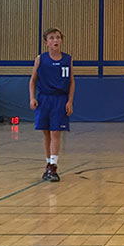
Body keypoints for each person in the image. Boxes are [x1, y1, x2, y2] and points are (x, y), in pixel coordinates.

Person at [28, 27, 75, 182]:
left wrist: (70, 101)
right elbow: (33, 80)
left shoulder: (68, 59)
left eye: (58, 37)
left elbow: (71, 82)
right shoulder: (40, 59)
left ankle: (53, 166)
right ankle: (48, 163)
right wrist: (32, 98)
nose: (55, 40)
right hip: (44, 99)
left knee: (56, 132)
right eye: (52, 38)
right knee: (46, 133)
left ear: (61, 41)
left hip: (60, 99)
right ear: (46, 43)